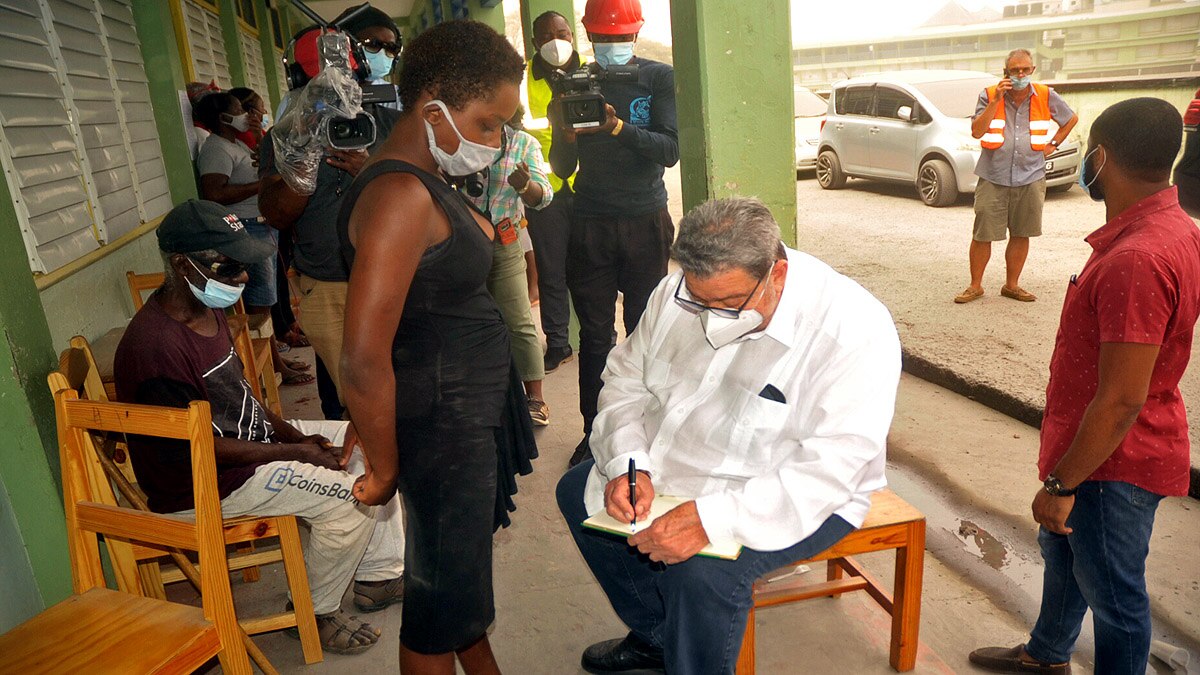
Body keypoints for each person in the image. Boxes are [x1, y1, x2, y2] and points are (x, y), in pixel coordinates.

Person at [556, 197, 901, 674]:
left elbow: (831, 469)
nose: (710, 317)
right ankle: (656, 636)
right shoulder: (676, 290)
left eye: (727, 303)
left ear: (776, 274)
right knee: (579, 491)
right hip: (679, 463)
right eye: (697, 300)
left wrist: (712, 519)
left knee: (702, 573)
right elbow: (624, 380)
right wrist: (628, 464)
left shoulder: (853, 330)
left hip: (794, 494)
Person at [113, 199, 406, 656]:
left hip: (247, 452)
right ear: (180, 264)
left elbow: (241, 398)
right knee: (349, 500)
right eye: (229, 266)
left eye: (244, 264)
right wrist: (293, 454)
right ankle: (315, 610)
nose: (243, 278)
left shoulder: (205, 309)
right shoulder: (154, 350)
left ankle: (379, 576)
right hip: (204, 487)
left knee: (372, 443)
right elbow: (195, 452)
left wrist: (293, 436)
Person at [969, 99, 1200, 674]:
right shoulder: (1173, 230)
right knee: (1066, 556)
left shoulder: (1137, 257)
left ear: (1100, 158)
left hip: (1109, 463)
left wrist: (1061, 481)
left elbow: (1123, 397)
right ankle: (1046, 656)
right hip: (1096, 449)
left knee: (1116, 599)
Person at [337, 20, 531, 675]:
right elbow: (363, 356)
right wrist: (384, 465)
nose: (495, 141)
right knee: (434, 607)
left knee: (455, 585)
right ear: (432, 109)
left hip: (459, 414)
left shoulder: (423, 175)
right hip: (442, 425)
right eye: (485, 124)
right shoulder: (398, 194)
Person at [549, 0, 679, 468]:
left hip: (646, 221)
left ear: (636, 35)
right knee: (596, 338)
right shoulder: (571, 83)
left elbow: (669, 149)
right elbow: (562, 169)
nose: (611, 47)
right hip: (591, 224)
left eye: (619, 38)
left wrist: (617, 127)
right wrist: (565, 132)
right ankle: (593, 431)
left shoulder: (658, 78)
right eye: (603, 40)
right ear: (589, 37)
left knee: (647, 331)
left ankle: (649, 430)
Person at [259, 9, 404, 414]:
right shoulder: (284, 137)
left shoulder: (395, 126)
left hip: (395, 279)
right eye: (319, 85)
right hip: (324, 283)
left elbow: (426, 194)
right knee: (344, 402)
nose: (334, 90)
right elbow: (276, 215)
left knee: (401, 391)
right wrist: (303, 157)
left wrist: (369, 168)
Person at [193, 91, 313, 387]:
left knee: (265, 301)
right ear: (223, 117)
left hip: (259, 226)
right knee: (260, 302)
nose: (247, 115)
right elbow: (214, 192)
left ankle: (276, 360)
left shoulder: (235, 144)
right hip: (245, 229)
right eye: (239, 110)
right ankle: (274, 367)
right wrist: (261, 186)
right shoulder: (216, 149)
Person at [955, 48, 1078, 304]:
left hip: (1030, 176)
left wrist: (1052, 145)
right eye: (1015, 70)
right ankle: (975, 285)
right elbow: (977, 131)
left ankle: (1011, 285)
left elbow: (1070, 119)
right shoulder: (988, 95)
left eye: (1025, 69)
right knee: (983, 233)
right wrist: (995, 101)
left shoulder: (1045, 95)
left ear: (1032, 70)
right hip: (993, 175)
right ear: (1006, 72)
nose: (1020, 74)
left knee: (1022, 232)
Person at [464, 107, 555, 425]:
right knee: (467, 322)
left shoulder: (524, 145)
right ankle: (479, 394)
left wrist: (524, 186)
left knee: (519, 322)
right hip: (461, 244)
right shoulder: (460, 141)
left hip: (504, 244)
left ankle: (536, 400)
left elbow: (543, 196)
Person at [524, 9, 580, 374]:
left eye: (562, 33)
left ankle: (597, 336)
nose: (555, 41)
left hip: (586, 189)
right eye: (546, 36)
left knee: (591, 268)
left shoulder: (591, 71)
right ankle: (558, 343)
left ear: (572, 36)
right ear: (534, 42)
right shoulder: (520, 80)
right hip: (544, 192)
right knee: (551, 271)